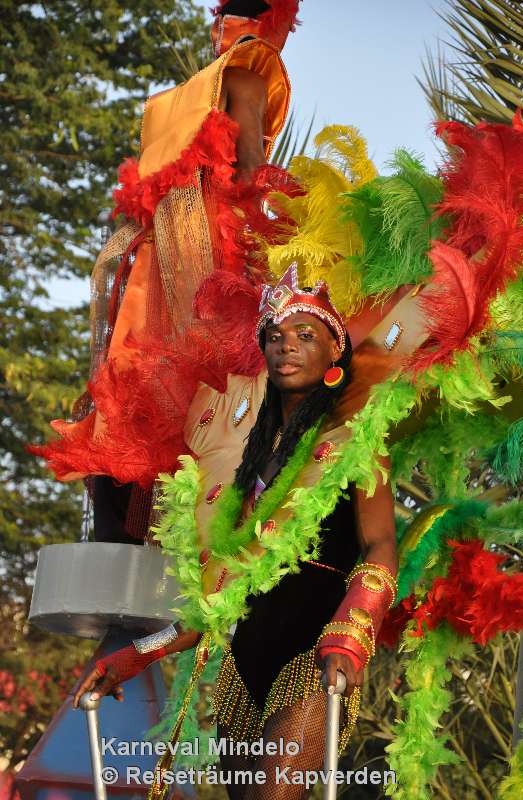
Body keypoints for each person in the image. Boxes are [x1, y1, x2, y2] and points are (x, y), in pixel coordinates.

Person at [74, 264, 399, 799]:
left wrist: (352, 632)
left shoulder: (357, 441)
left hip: (314, 659)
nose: (286, 345)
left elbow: (381, 546)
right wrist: (136, 653)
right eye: (275, 336)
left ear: (334, 354)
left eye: (305, 335)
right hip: (242, 670)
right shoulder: (243, 464)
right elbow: (209, 608)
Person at [29, 0, 300, 543]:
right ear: (272, 23)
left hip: (153, 259)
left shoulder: (182, 96)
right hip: (206, 253)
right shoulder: (247, 76)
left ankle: (125, 529)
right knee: (205, 380)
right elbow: (252, 175)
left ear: (219, 24)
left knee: (137, 379)